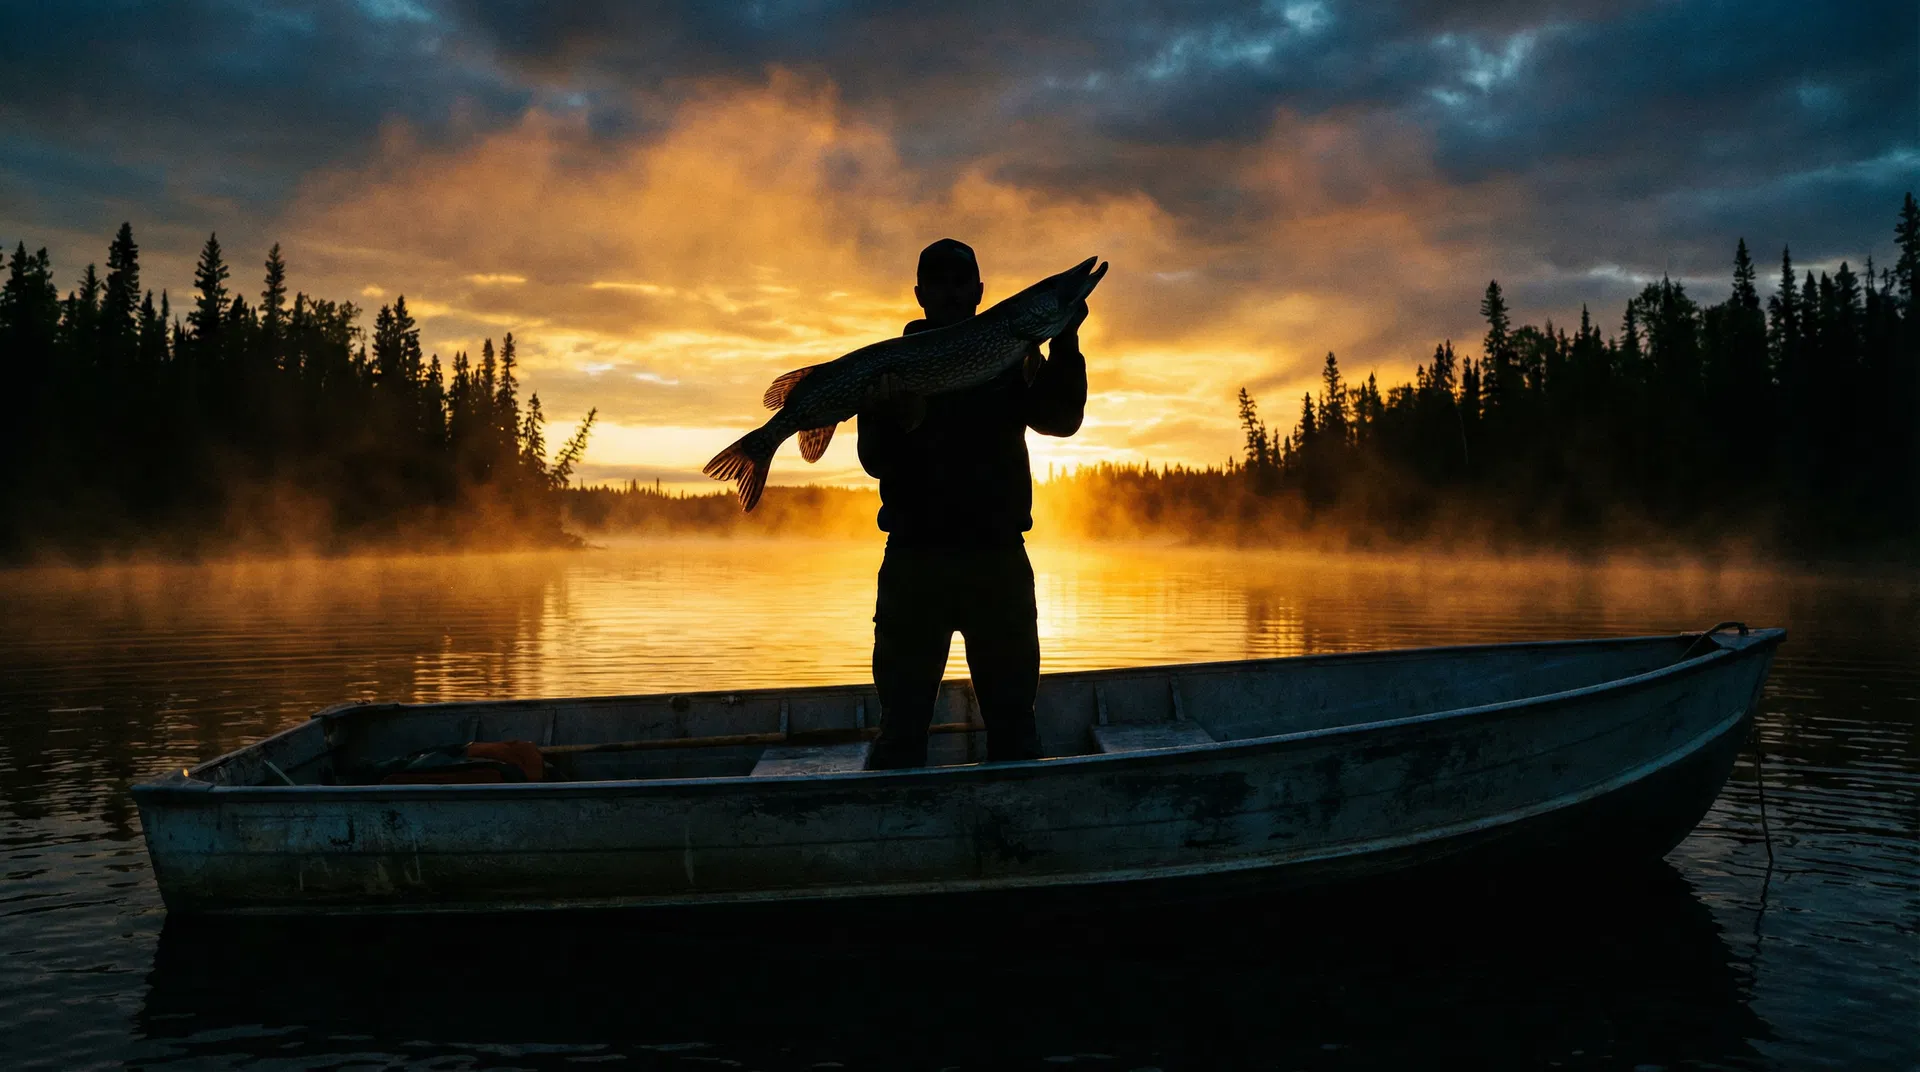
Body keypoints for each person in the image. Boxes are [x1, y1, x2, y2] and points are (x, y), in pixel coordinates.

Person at [857, 238, 1089, 769]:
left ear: (980, 291)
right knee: (901, 731)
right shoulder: (890, 368)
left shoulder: (1013, 357)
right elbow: (875, 459)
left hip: (997, 563)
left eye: (960, 282)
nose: (950, 292)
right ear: (919, 294)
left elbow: (1061, 419)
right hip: (915, 567)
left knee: (1014, 727)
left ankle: (1016, 843)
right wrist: (898, 415)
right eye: (938, 283)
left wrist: (1066, 342)